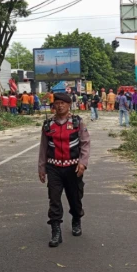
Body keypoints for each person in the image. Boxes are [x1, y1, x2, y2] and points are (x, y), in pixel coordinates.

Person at [38, 93, 90, 247]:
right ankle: (56, 230)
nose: (60, 106)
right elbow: (43, 148)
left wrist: (83, 163)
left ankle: (76, 218)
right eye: (57, 103)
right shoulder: (48, 125)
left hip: (73, 168)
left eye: (63, 103)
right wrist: (41, 168)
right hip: (53, 168)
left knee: (75, 198)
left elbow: (85, 143)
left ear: (69, 105)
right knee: (54, 199)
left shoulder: (77, 122)